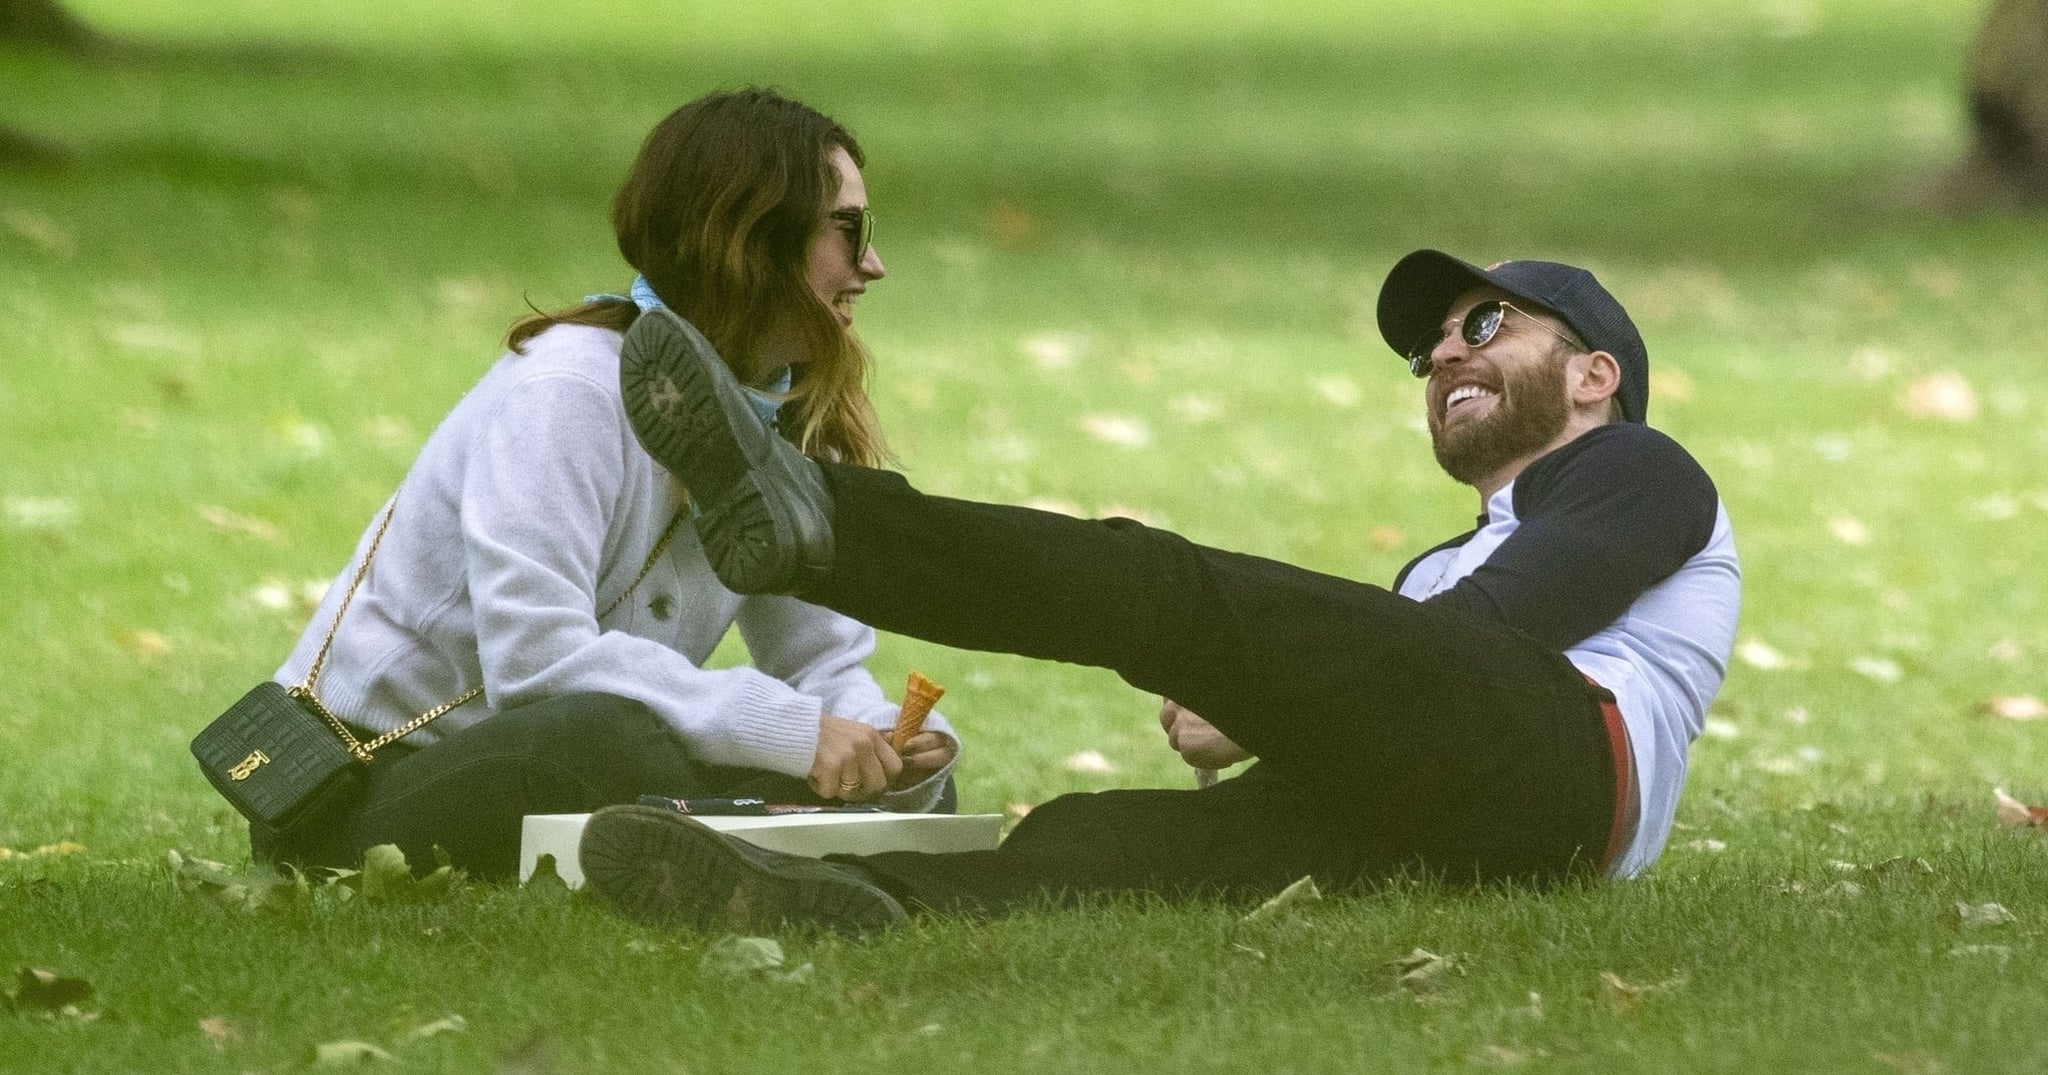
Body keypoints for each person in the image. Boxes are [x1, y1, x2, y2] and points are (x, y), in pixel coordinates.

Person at [576, 249, 1740, 933]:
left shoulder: (1640, 468)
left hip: (1565, 777)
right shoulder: (1433, 569)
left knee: (1157, 585)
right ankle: (834, 897)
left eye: (1483, 322)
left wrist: (1257, 696)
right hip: (1460, 834)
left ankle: (826, 519)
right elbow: (1415, 677)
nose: (1442, 355)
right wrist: (1276, 712)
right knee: (1113, 842)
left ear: (1593, 374)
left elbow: (1494, 636)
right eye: (1428, 347)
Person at [255, 88, 959, 880]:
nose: (873, 264)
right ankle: (760, 862)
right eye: (847, 230)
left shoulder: (787, 409)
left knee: (893, 785)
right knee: (605, 739)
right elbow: (536, 661)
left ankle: (758, 871)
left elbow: (820, 661)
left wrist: (884, 741)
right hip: (364, 787)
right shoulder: (571, 387)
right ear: (750, 237)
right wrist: (791, 731)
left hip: (588, 754)